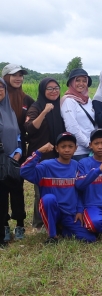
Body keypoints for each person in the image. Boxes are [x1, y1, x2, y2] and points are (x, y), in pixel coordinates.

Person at [20, 134, 97, 244]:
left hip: (69, 213)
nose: (67, 149)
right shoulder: (46, 165)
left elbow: (80, 190)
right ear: (57, 148)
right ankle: (52, 236)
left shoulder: (77, 166)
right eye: (63, 146)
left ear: (75, 148)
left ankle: (62, 229)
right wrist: (39, 152)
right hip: (52, 210)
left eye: (70, 146)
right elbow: (24, 171)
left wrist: (80, 210)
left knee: (90, 238)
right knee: (48, 199)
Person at [25, 77, 66, 231]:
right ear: (43, 90)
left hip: (58, 155)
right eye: (49, 88)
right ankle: (39, 224)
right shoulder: (36, 107)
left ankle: (55, 220)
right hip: (41, 156)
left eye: (56, 88)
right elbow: (30, 128)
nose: (54, 91)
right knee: (40, 190)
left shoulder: (60, 106)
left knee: (55, 189)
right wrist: (45, 111)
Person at [2, 64, 33, 240]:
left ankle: (20, 224)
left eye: (21, 75)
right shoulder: (1, 97)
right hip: (2, 148)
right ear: (5, 77)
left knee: (17, 186)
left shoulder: (26, 99)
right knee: (1, 188)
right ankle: (4, 223)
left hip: (19, 148)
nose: (18, 78)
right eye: (14, 75)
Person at [0, 78, 23, 245]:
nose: (0, 90)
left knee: (17, 192)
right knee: (1, 196)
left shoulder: (11, 111)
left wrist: (19, 151)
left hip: (13, 159)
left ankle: (20, 225)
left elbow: (18, 135)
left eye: (1, 87)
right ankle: (4, 227)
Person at [60, 68, 95, 161]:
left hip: (92, 149)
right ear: (71, 82)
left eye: (84, 81)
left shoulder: (88, 100)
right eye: (78, 80)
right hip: (79, 151)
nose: (81, 83)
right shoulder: (68, 101)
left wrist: (95, 143)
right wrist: (88, 144)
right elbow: (72, 127)